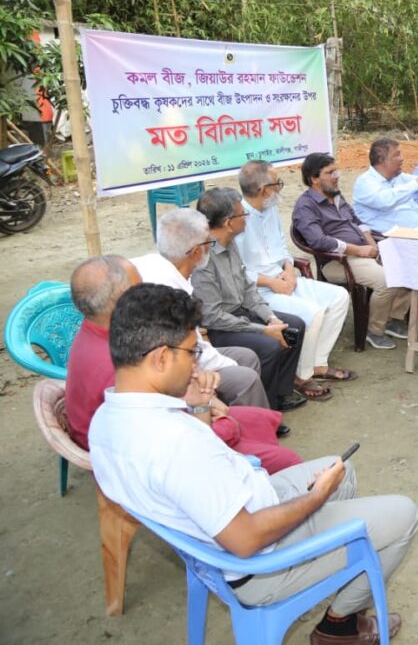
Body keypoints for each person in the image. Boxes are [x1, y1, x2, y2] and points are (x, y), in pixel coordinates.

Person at [88, 284, 418, 645]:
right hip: (257, 566)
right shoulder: (172, 443)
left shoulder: (107, 418)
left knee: (343, 472)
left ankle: (331, 570)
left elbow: (196, 479)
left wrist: (199, 407)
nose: (197, 362)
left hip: (231, 520)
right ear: (160, 358)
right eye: (192, 351)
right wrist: (315, 499)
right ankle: (337, 628)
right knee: (404, 514)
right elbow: (245, 540)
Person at [66, 255, 300, 471]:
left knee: (253, 419)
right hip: (147, 453)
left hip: (152, 430)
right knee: (285, 459)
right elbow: (179, 435)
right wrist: (207, 406)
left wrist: (204, 398)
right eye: (139, 289)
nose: (147, 295)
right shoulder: (122, 362)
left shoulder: (105, 333)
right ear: (120, 301)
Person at [132, 208, 285, 411]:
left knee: (248, 357)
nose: (211, 247)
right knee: (245, 377)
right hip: (174, 368)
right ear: (196, 252)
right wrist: (229, 366)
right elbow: (191, 350)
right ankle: (242, 424)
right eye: (208, 243)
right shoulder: (167, 291)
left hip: (188, 353)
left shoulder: (158, 265)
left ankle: (250, 416)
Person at [192, 187, 318, 407]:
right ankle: (266, 407)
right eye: (242, 214)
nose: (246, 217)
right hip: (222, 327)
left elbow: (248, 289)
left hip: (242, 313)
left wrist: (270, 318)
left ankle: (280, 392)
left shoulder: (229, 243)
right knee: (268, 345)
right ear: (228, 222)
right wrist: (263, 330)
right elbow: (212, 317)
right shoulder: (204, 260)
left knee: (293, 326)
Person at [234, 160, 355, 386]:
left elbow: (280, 245)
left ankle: (317, 363)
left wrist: (289, 270)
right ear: (263, 190)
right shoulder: (237, 218)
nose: (281, 187)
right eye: (277, 182)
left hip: (284, 279)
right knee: (313, 313)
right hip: (258, 291)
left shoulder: (269, 209)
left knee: (339, 297)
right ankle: (301, 376)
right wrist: (271, 283)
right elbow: (237, 271)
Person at [293, 152, 411, 350]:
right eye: (330, 172)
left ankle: (391, 318)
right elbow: (318, 241)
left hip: (362, 251)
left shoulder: (335, 196)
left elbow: (357, 222)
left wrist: (372, 244)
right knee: (387, 280)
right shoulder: (305, 206)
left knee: (407, 268)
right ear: (314, 179)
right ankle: (374, 331)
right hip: (337, 261)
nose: (337, 175)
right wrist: (359, 250)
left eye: (336, 170)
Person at [352, 138, 418, 234]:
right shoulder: (365, 182)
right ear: (382, 160)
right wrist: (417, 183)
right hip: (390, 240)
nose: (401, 158)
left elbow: (417, 179)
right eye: (397, 155)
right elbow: (385, 201)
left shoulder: (397, 177)